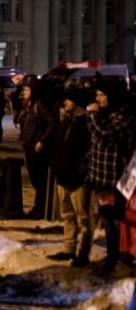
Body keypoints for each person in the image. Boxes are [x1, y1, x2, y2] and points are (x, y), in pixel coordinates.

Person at [86, 79, 136, 271]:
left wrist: (92, 115)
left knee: (116, 220)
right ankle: (113, 256)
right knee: (108, 218)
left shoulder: (123, 116)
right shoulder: (107, 114)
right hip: (101, 178)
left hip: (115, 179)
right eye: (96, 95)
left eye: (101, 95)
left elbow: (104, 136)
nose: (97, 100)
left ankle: (119, 258)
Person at [48, 86, 94, 266]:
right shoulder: (66, 121)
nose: (64, 102)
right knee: (67, 215)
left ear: (76, 102)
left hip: (77, 180)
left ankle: (82, 253)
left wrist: (81, 171)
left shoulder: (86, 124)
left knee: (83, 219)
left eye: (67, 99)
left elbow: (88, 152)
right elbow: (58, 146)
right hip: (62, 177)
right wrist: (55, 166)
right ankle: (69, 249)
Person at [19, 79, 58, 219]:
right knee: (35, 180)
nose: (24, 92)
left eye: (27, 90)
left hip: (37, 149)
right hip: (30, 147)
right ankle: (39, 206)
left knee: (39, 180)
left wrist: (42, 141)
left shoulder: (40, 105)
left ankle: (40, 209)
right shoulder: (31, 105)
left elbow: (52, 122)